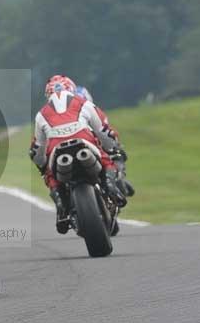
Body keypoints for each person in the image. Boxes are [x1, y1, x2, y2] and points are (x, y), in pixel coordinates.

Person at [29, 75, 127, 234]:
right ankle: (110, 186)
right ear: (73, 89)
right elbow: (103, 132)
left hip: (57, 151)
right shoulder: (85, 103)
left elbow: (38, 149)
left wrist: (41, 165)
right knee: (106, 159)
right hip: (85, 144)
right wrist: (113, 147)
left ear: (48, 94)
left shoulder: (41, 114)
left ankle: (61, 206)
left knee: (49, 174)